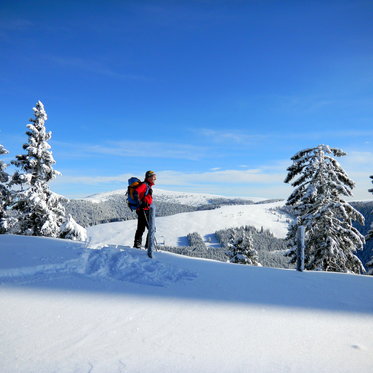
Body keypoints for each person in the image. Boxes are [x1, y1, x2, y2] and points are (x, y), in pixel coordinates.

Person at [133, 170, 156, 249]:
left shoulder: (148, 186)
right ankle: (148, 246)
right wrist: (141, 203)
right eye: (153, 177)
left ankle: (137, 245)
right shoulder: (144, 185)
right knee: (151, 228)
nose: (155, 178)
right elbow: (136, 192)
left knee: (141, 228)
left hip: (143, 209)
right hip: (144, 210)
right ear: (149, 177)